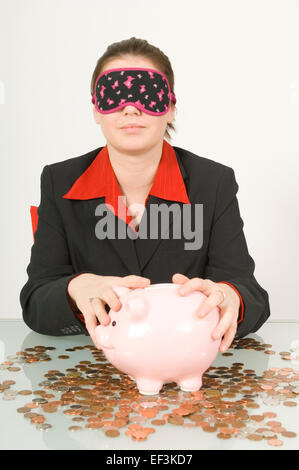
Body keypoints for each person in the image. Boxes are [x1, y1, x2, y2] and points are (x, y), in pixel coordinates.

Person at [19, 37, 270, 352]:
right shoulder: (59, 181)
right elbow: (35, 301)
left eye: (146, 94)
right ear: (96, 109)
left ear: (170, 108)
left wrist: (231, 297)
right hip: (97, 370)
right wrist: (74, 289)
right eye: (114, 95)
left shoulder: (214, 182)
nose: (130, 107)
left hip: (187, 363)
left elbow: (250, 294)